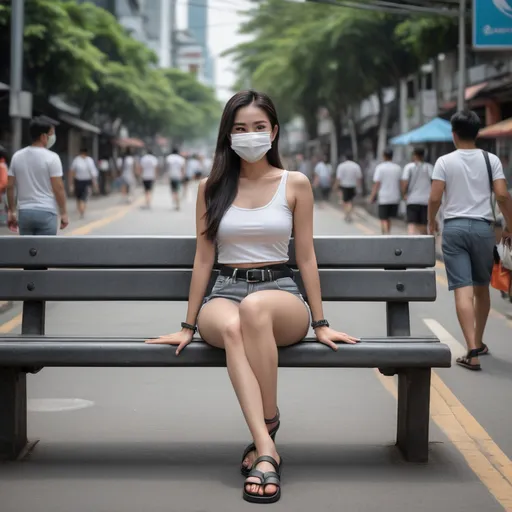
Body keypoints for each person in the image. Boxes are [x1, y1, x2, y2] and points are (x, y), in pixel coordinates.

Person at [145, 90, 358, 504]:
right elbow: (204, 259)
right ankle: (267, 445)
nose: (250, 135)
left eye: (259, 127)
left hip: (280, 293)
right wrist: (187, 326)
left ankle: (267, 426)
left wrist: (322, 322)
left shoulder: (294, 183)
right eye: (240, 128)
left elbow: (307, 256)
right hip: (224, 291)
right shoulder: (210, 188)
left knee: (256, 308)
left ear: (274, 132)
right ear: (228, 136)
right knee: (232, 322)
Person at [428, 110, 512, 371]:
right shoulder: (491, 160)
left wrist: (432, 220)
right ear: (477, 133)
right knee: (481, 288)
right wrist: (510, 224)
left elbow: (434, 197)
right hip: (483, 229)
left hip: (454, 229)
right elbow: (501, 195)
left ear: (454, 134)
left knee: (462, 290)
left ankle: (471, 351)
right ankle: (478, 341)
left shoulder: (444, 161)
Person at [6, 116, 68, 235]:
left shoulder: (17, 156)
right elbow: (58, 187)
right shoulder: (52, 158)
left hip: (25, 212)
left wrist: (12, 211)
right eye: (51, 134)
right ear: (43, 136)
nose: (53, 138)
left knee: (27, 252)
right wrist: (64, 213)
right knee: (46, 251)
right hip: (47, 212)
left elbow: (10, 186)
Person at [369, 148, 402, 234]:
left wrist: (372, 196)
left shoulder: (380, 168)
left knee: (383, 218)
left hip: (384, 197)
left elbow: (376, 184)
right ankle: (388, 233)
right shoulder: (398, 168)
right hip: (395, 197)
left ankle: (385, 234)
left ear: (384, 156)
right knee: (389, 218)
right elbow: (401, 183)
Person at [401, 148, 433, 235]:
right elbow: (433, 182)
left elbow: (404, 182)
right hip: (426, 200)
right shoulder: (429, 167)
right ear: (423, 155)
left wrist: (403, 194)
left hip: (412, 200)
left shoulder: (409, 167)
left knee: (411, 224)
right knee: (423, 224)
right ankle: (424, 244)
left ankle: (411, 243)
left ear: (414, 155)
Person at [69, 147, 98, 219]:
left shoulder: (87, 160)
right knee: (79, 197)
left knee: (83, 197)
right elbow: (72, 172)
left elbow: (93, 173)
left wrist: (94, 183)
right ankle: (81, 210)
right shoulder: (77, 160)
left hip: (85, 182)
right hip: (79, 181)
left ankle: (82, 211)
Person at [335, 153, 362, 222]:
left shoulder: (341, 166)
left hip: (344, 186)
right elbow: (359, 178)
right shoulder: (356, 166)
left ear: (345, 158)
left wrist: (336, 186)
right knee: (351, 201)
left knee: (345, 201)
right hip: (353, 186)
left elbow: (338, 178)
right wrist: (359, 187)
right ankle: (348, 214)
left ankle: (347, 214)